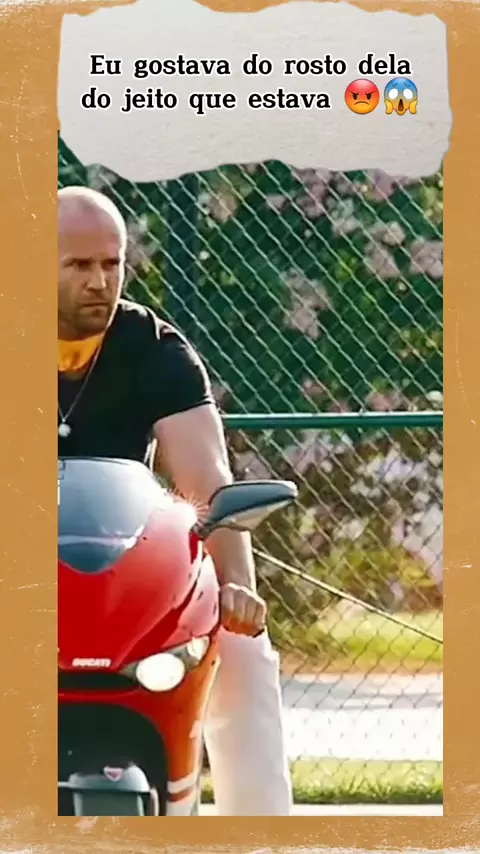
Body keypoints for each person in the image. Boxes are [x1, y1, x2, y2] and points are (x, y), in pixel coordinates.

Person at [57, 185, 292, 816]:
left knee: (241, 652)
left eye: (112, 263)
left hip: (123, 577)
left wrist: (236, 588)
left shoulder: (155, 348)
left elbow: (207, 479)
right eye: (78, 265)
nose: (99, 282)